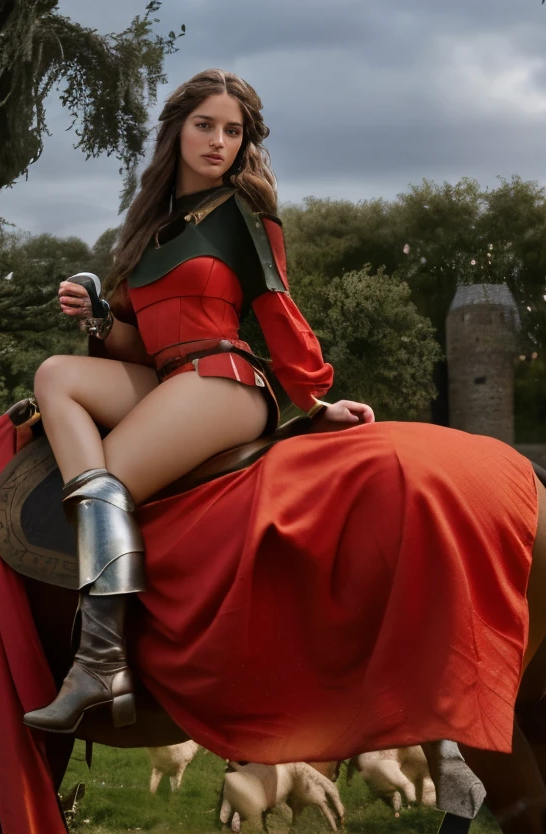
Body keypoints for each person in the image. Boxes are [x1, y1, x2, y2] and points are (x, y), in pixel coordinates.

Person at [22, 69, 376, 734]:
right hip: (166, 378)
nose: (218, 141)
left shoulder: (245, 211)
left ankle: (100, 665)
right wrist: (99, 316)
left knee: (112, 482)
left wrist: (314, 398)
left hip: (224, 381)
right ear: (178, 130)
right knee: (55, 375)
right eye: (205, 125)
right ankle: (95, 518)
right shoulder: (147, 228)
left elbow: (276, 308)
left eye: (232, 131)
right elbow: (136, 348)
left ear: (244, 143)